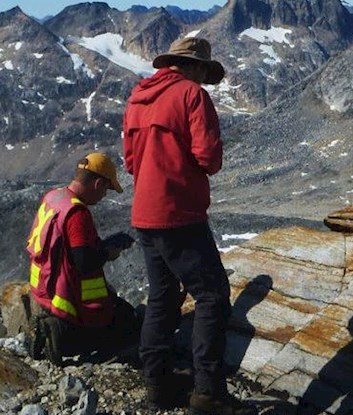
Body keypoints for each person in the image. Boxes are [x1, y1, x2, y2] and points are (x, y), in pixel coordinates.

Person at [122, 37, 253, 414]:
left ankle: (157, 385)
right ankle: (208, 393)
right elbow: (209, 158)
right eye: (203, 73)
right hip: (178, 213)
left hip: (144, 214)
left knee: (162, 296)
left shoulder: (138, 97)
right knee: (212, 296)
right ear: (194, 67)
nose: (204, 81)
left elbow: (131, 162)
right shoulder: (192, 96)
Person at [25, 152, 139, 366]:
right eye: (106, 188)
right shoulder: (78, 214)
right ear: (97, 183)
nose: (105, 195)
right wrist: (108, 253)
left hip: (45, 292)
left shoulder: (54, 197)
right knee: (128, 322)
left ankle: (54, 325)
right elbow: (84, 263)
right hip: (67, 300)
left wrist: (103, 244)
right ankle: (61, 335)